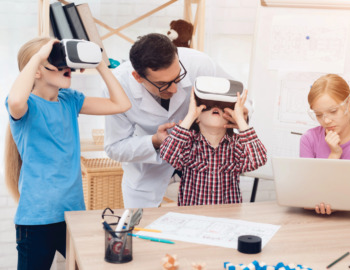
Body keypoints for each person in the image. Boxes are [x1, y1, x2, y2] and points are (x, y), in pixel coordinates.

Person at [4, 37, 131, 269]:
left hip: (73, 216)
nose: (66, 68)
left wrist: (99, 63)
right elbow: (16, 99)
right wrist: (38, 57)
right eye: (56, 62)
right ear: (37, 71)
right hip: (37, 220)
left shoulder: (70, 100)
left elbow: (121, 104)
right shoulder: (26, 106)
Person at [103, 33, 248, 208]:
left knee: (204, 220)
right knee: (142, 225)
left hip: (200, 158)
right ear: (137, 77)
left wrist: (243, 115)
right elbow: (114, 147)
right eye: (163, 84)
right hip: (149, 165)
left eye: (178, 77)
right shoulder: (117, 86)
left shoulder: (199, 64)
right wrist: (155, 141)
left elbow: (241, 97)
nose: (174, 89)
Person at [160, 89, 267, 205]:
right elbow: (167, 154)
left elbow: (258, 159)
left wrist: (240, 119)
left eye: (222, 107)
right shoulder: (189, 143)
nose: (215, 108)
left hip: (227, 216)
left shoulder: (236, 144)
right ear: (197, 118)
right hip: (193, 215)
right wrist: (190, 116)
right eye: (207, 106)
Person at [299, 74, 350, 215]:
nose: (326, 121)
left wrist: (328, 199)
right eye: (319, 114)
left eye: (333, 111)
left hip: (349, 221)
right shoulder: (309, 139)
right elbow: (307, 198)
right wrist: (334, 154)